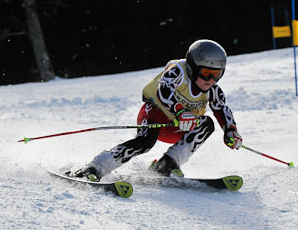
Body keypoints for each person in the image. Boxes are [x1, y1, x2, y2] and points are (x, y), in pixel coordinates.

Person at [70, 39, 242, 182]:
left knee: (207, 124)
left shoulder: (213, 90)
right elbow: (164, 90)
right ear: (192, 67)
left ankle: (167, 164)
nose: (210, 80)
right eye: (205, 73)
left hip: (178, 127)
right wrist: (181, 111)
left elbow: (222, 109)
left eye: (217, 74)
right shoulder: (178, 71)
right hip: (154, 115)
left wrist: (230, 131)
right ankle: (95, 167)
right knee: (145, 142)